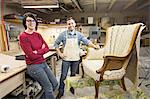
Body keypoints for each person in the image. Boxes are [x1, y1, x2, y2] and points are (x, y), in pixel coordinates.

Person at [54, 17, 99, 99]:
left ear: (74, 24)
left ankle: (72, 88)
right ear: (67, 25)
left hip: (75, 59)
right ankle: (61, 91)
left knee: (73, 75)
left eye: (72, 23)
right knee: (63, 76)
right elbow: (56, 44)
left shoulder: (79, 35)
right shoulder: (63, 34)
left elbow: (87, 42)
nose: (70, 25)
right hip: (66, 59)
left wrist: (94, 46)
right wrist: (59, 53)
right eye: (69, 24)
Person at [19, 12, 58, 99]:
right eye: (28, 21)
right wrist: (40, 51)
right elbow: (31, 56)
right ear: (25, 23)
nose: (31, 22)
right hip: (34, 66)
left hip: (43, 63)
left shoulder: (38, 34)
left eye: (33, 20)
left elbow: (47, 48)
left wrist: (37, 52)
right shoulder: (23, 36)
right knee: (48, 88)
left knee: (55, 84)